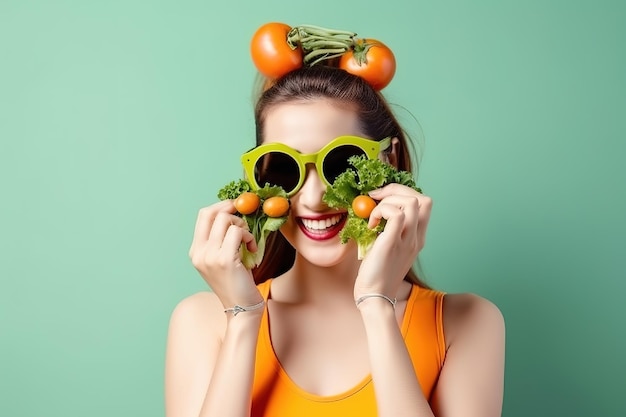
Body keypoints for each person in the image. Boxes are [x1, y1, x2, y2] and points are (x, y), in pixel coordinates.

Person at [164, 65, 505, 417]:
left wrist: (377, 305)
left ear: (389, 159)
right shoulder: (203, 321)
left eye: (340, 164)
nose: (313, 199)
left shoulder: (466, 323)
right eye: (285, 166)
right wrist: (243, 319)